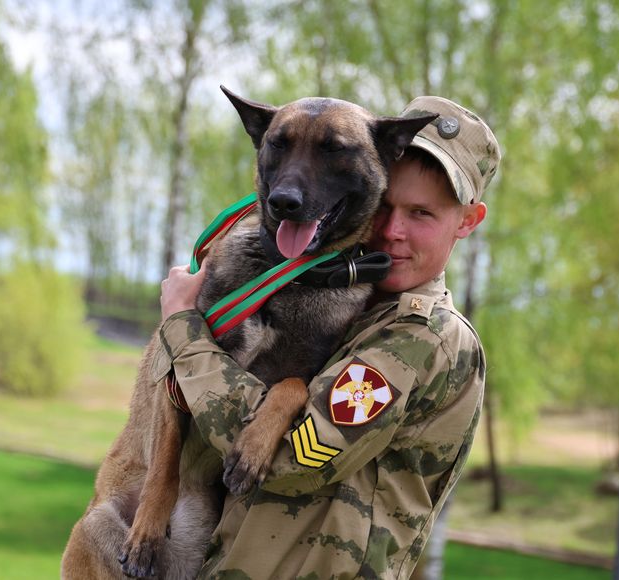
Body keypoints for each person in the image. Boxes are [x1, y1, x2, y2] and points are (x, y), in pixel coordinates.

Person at [158, 96, 501, 579]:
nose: (393, 231)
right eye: (385, 207)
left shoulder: (423, 336)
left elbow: (291, 461)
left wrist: (183, 329)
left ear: (467, 221)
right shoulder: (355, 304)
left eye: (422, 214)